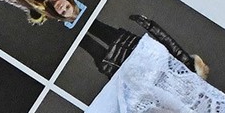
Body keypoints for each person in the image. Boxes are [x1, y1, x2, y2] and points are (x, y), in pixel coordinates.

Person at [78, 15, 209, 79]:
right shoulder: (186, 66)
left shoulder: (185, 69)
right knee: (93, 30)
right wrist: (148, 24)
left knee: (89, 37)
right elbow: (169, 42)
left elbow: (169, 42)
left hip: (125, 59)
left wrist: (148, 24)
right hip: (127, 52)